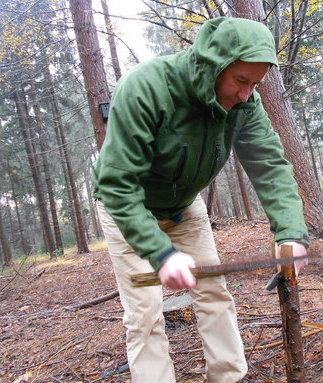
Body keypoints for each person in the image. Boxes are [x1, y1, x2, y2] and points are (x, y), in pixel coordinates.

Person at [92, 17, 310, 383]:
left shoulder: (245, 104)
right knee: (145, 313)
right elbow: (118, 185)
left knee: (213, 291)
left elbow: (270, 166)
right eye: (241, 80)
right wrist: (160, 253)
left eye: (255, 84)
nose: (246, 94)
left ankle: (229, 377)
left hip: (184, 208)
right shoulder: (146, 88)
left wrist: (290, 232)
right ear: (214, 65)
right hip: (128, 209)